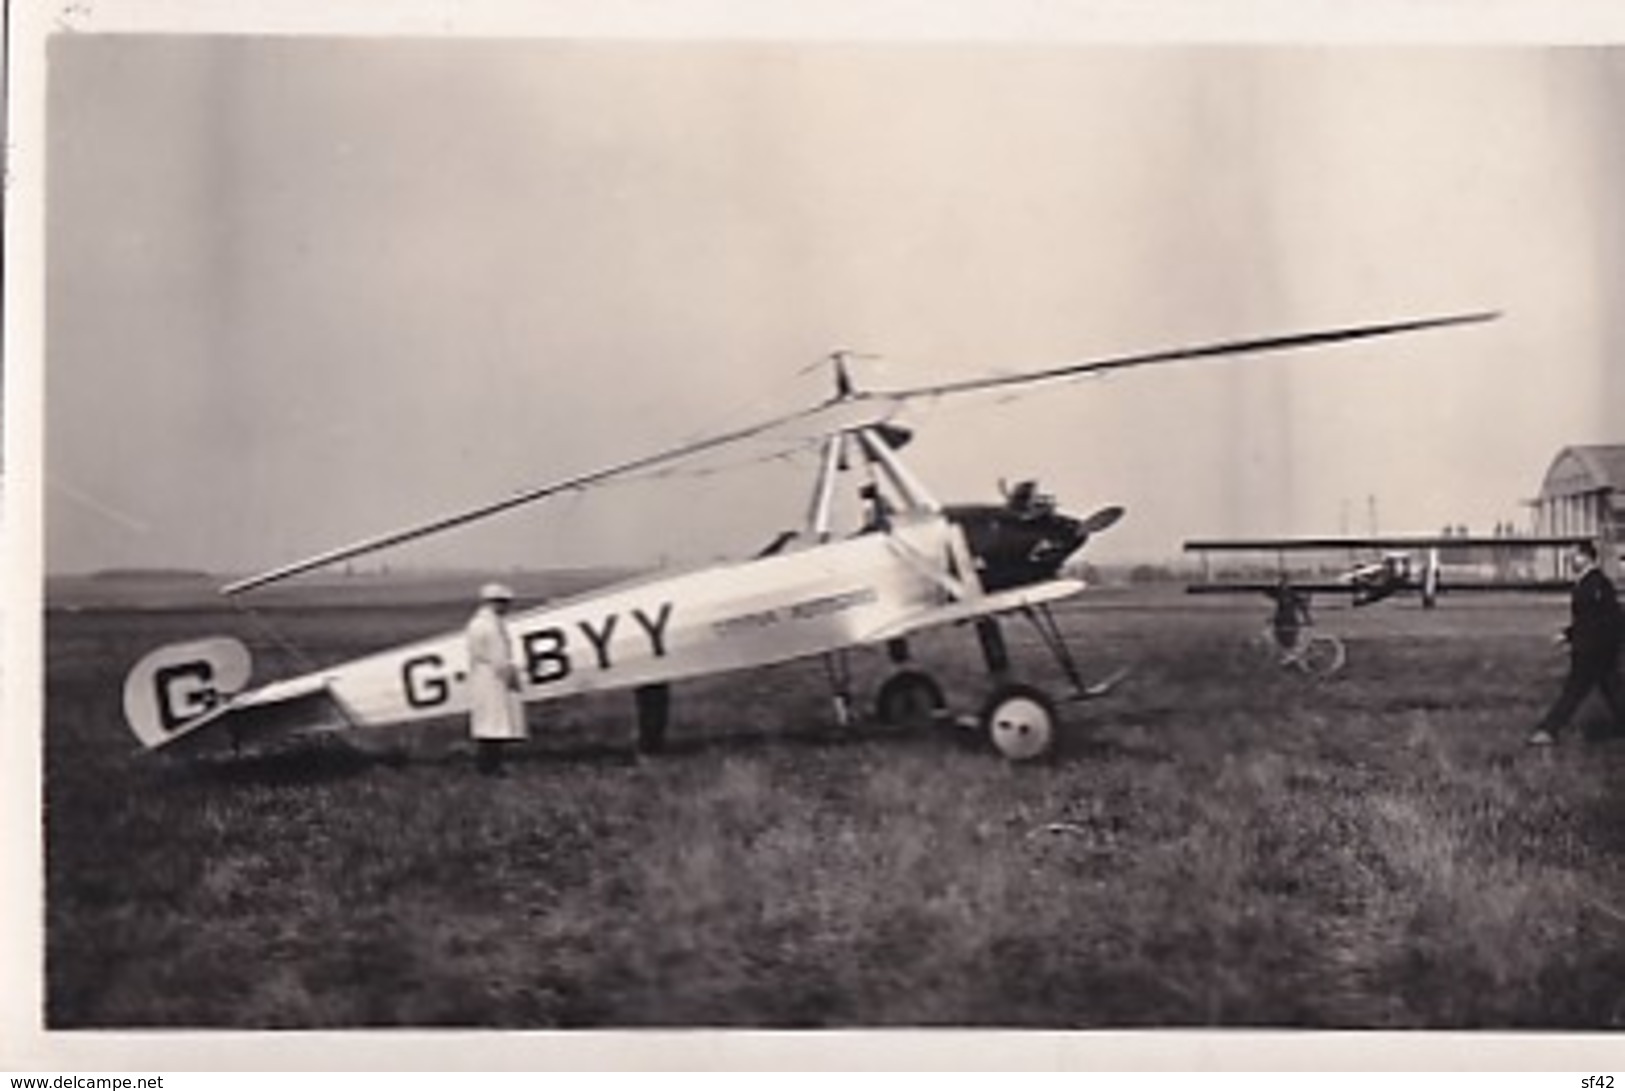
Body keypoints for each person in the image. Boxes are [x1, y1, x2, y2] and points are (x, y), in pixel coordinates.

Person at [1529, 540, 1623, 746]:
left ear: (1587, 556)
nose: (1570, 560)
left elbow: (1602, 620)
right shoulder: (1589, 582)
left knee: (1574, 691)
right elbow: (1588, 620)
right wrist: (1567, 634)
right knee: (1612, 691)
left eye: (1574, 556)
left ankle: (1548, 730)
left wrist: (1581, 641)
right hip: (1596, 648)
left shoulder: (1596, 584)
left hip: (1593, 650)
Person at [466, 581, 526, 774]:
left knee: (488, 723)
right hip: (493, 678)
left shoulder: (476, 623)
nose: (507, 607)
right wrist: (511, 676)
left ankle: (487, 765)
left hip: (482, 676)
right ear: (495, 603)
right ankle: (491, 766)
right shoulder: (491, 627)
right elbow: (498, 657)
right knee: (495, 724)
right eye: (504, 602)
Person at [1264, 576, 1313, 664]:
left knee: (1286, 640)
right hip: (1284, 620)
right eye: (1283, 583)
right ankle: (1289, 657)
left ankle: (1290, 658)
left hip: (1287, 620)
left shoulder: (1289, 594)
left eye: (1285, 583)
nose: (1284, 585)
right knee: (1285, 640)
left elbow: (1268, 592)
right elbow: (1268, 592)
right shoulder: (1288, 594)